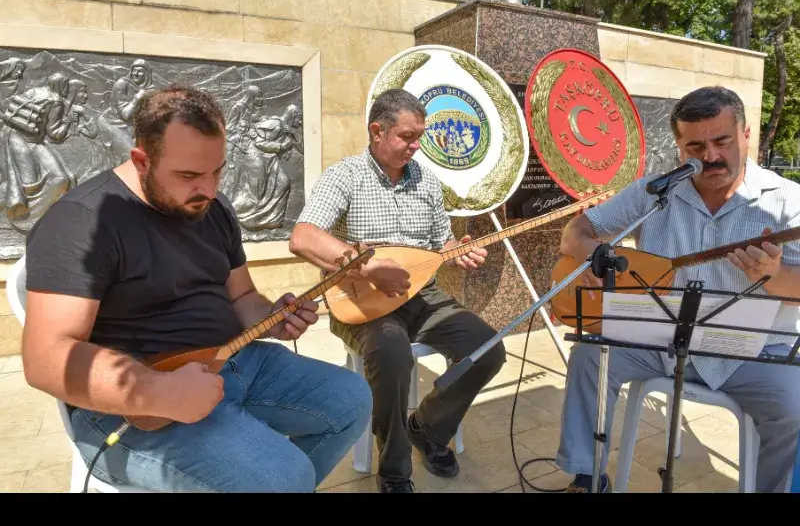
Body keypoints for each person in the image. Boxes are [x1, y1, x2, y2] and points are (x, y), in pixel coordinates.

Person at [20, 83, 373, 493]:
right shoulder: (82, 222)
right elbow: (46, 359)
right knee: (284, 476)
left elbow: (242, 296)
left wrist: (273, 318)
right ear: (141, 160)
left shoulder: (214, 207)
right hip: (136, 402)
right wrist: (160, 392)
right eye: (188, 175)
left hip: (232, 361)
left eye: (217, 170)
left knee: (352, 400)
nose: (207, 189)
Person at [554, 85, 800, 493]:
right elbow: (576, 231)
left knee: (793, 407)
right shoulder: (655, 193)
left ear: (746, 134)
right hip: (661, 337)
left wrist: (774, 274)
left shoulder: (788, 201)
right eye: (695, 146)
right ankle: (586, 475)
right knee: (589, 357)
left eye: (721, 141)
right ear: (680, 148)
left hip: (752, 348)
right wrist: (594, 255)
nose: (711, 157)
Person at [289, 88, 507, 493]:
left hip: (423, 297)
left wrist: (459, 251)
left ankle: (427, 427)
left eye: (420, 136)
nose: (416, 146)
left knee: (487, 348)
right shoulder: (345, 176)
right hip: (363, 302)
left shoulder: (425, 180)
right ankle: (393, 467)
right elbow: (303, 237)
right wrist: (368, 267)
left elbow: (442, 244)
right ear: (377, 131)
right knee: (391, 353)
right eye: (408, 136)